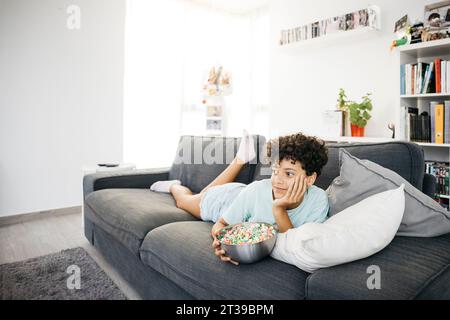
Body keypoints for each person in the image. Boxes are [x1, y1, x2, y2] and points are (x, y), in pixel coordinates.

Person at [150, 131, 330, 265]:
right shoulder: (257, 190)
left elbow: (293, 243)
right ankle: (173, 185)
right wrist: (220, 241)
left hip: (243, 198)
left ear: (310, 179)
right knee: (185, 201)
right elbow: (220, 224)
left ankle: (241, 158)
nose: (278, 180)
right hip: (225, 201)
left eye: (289, 174)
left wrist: (278, 208)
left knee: (205, 191)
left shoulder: (319, 200)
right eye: (274, 171)